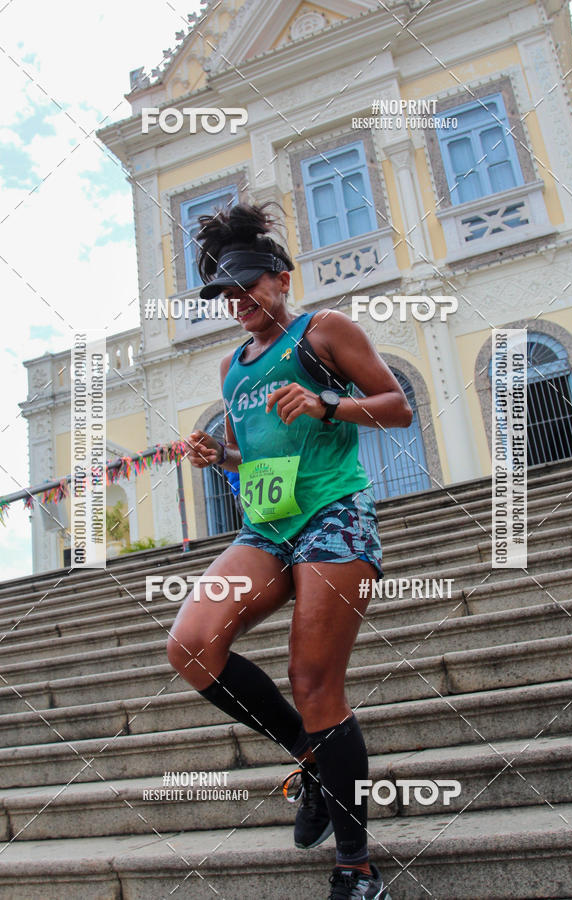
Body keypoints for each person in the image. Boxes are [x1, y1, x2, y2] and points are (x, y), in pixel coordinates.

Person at [167, 202, 412, 899]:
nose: (236, 302)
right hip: (266, 527)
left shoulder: (324, 330)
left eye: (247, 286)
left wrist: (329, 405)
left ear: (281, 277)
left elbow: (397, 406)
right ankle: (310, 755)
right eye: (223, 293)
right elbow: (262, 452)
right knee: (190, 645)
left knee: (314, 685)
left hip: (334, 517)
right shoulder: (231, 368)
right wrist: (223, 456)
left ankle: (358, 869)